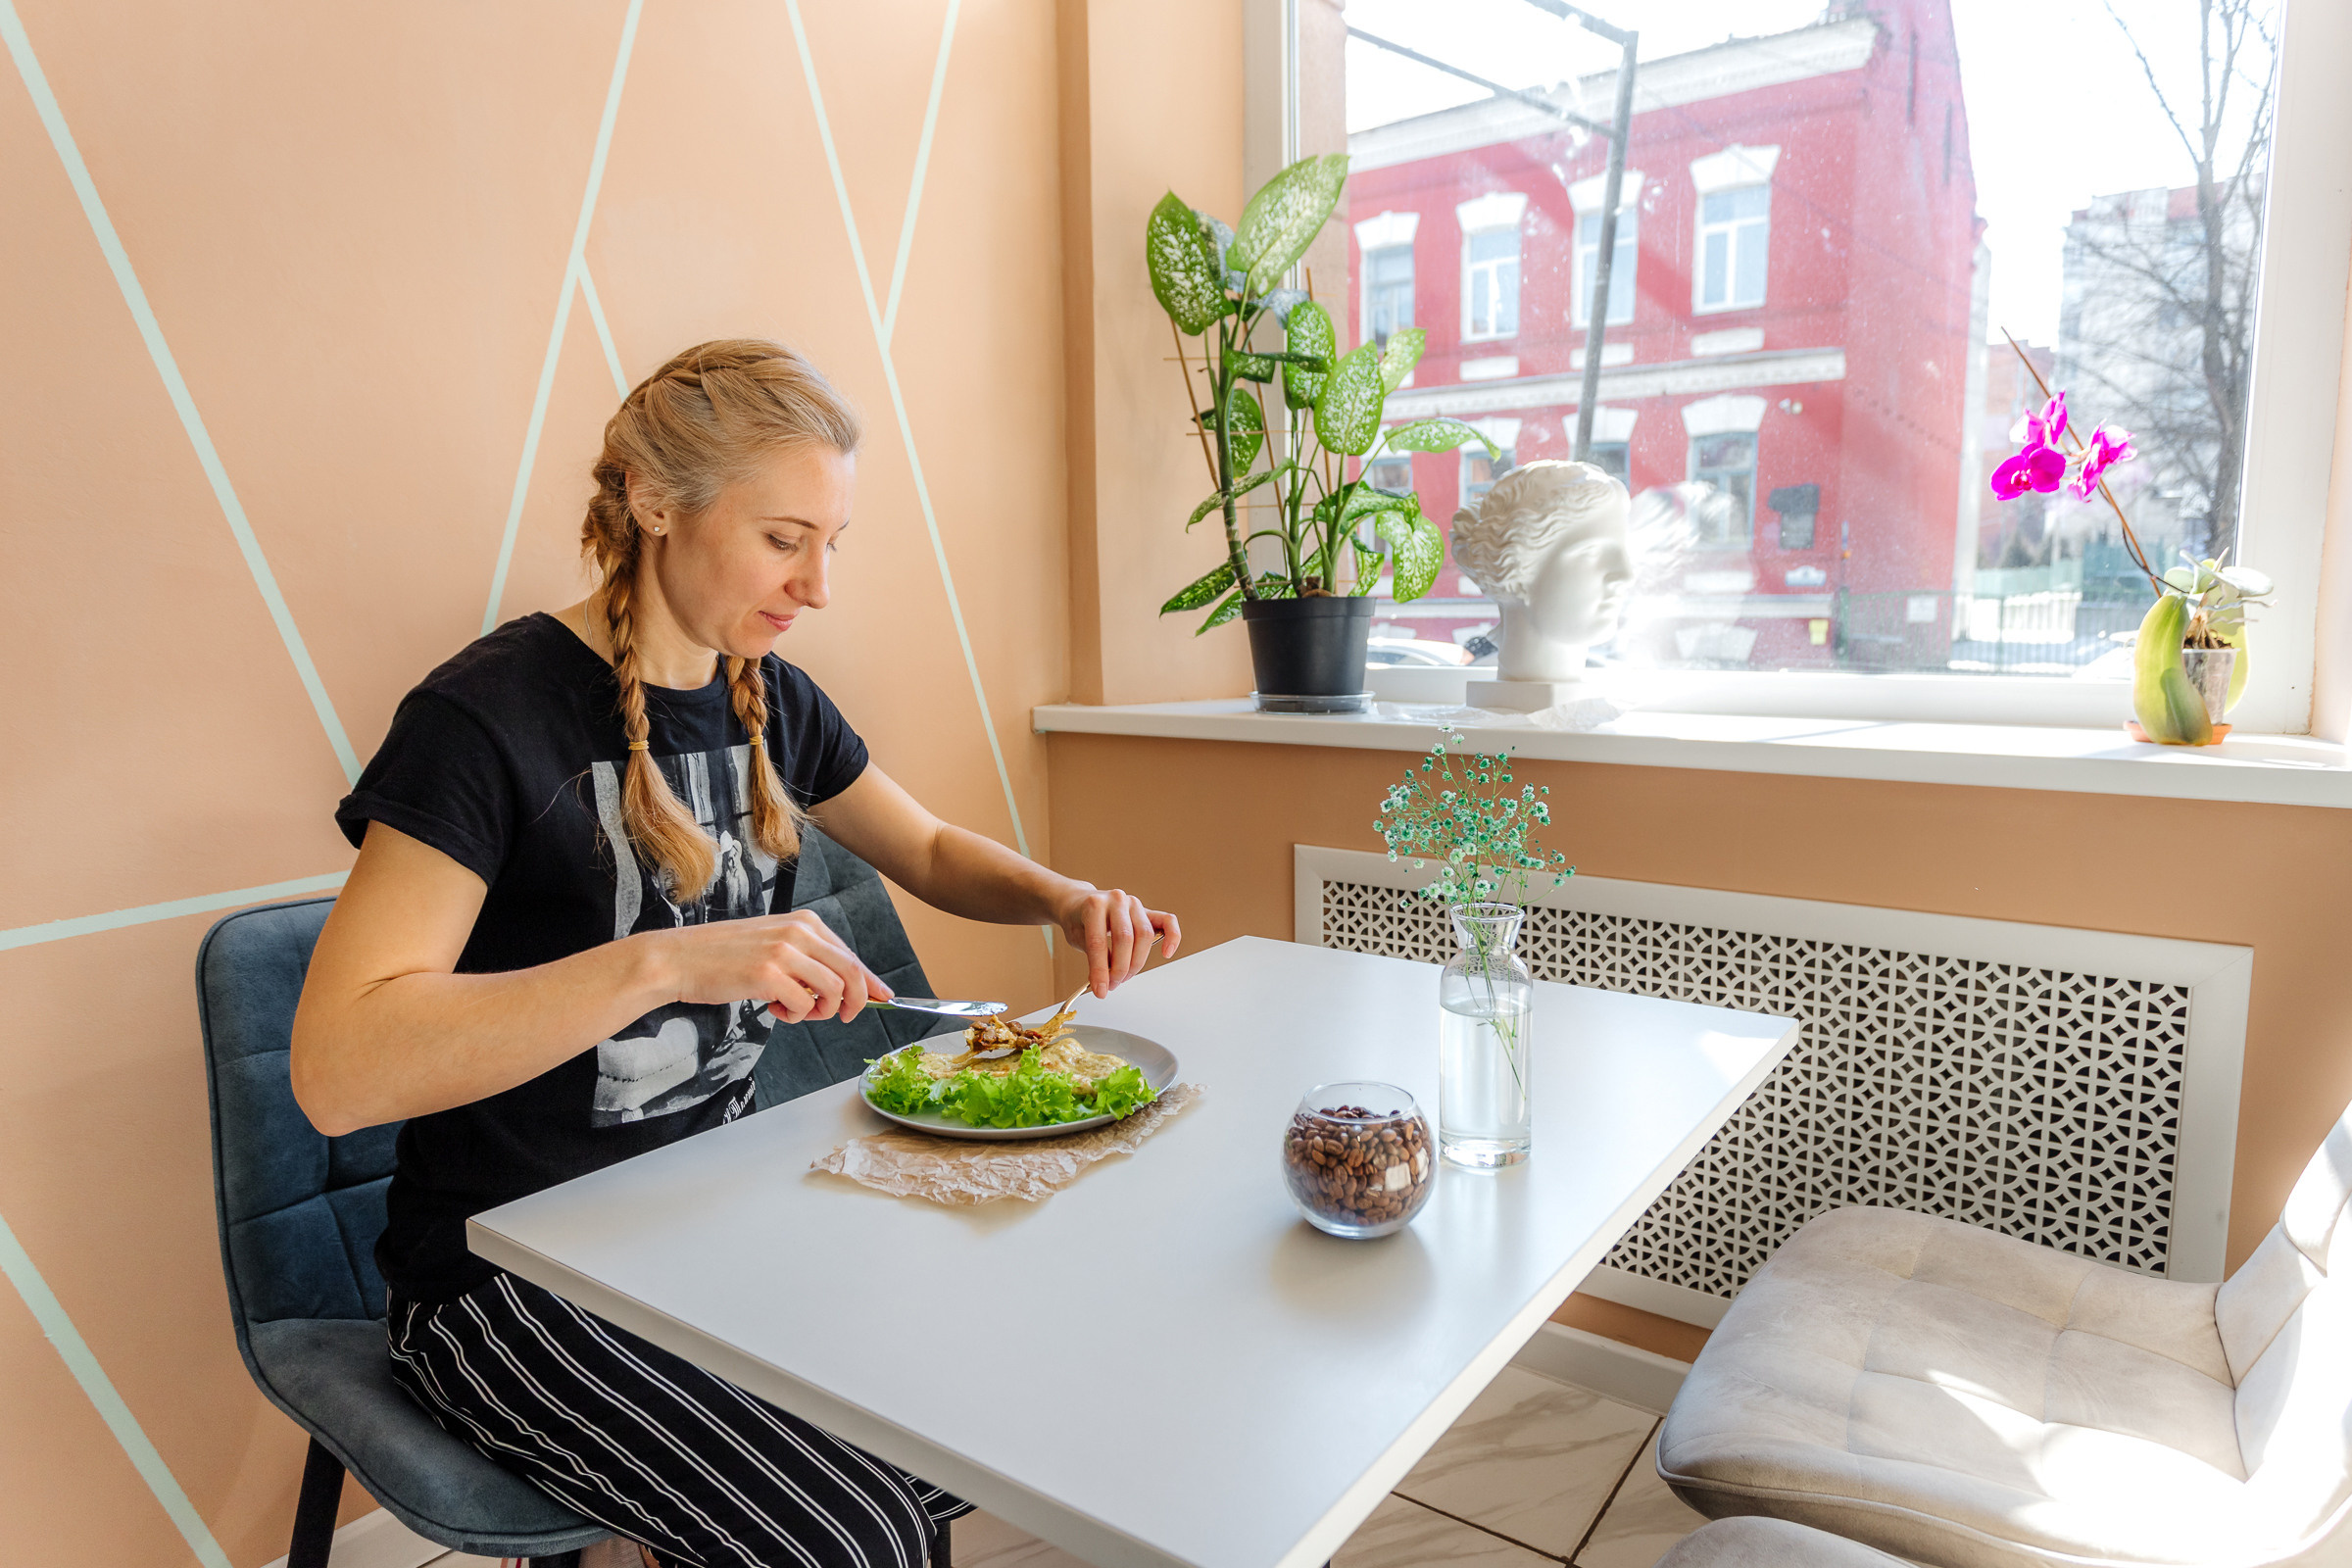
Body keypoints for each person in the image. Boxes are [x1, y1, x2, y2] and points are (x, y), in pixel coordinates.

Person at [290, 338, 1179, 1568]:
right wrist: (668, 961)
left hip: (717, 1220)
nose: (818, 584)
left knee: (980, 1426)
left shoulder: (768, 693)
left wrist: (1064, 898)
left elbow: (921, 843)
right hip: (501, 1274)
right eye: (784, 538)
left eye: (835, 541)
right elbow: (341, 1068)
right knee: (853, 1537)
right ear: (657, 504)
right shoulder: (485, 716)